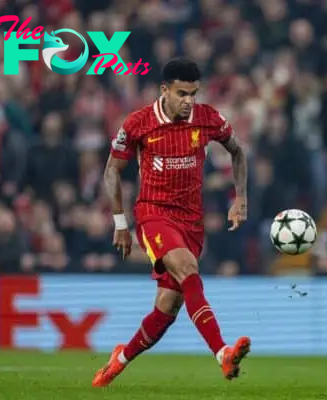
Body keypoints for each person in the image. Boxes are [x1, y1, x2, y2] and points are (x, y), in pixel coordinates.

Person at [92, 58, 250, 387]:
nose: (188, 101)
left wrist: (241, 199)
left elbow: (238, 152)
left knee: (166, 309)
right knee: (188, 269)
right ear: (164, 90)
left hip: (191, 220)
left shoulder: (208, 119)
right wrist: (120, 222)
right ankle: (222, 353)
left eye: (193, 93)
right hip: (154, 213)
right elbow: (112, 170)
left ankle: (119, 359)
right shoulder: (139, 123)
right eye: (182, 93)